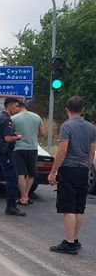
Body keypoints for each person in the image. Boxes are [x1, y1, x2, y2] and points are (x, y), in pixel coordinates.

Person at [48, 96, 96, 254]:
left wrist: (53, 172)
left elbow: (62, 152)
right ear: (83, 110)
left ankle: (68, 243)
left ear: (67, 110)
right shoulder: (91, 128)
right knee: (78, 208)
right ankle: (74, 239)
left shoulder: (66, 126)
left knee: (68, 207)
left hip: (68, 169)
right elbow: (92, 152)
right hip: (83, 170)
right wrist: (86, 167)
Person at [12, 101, 44, 205]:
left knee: (20, 174)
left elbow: (10, 134)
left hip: (18, 148)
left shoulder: (14, 119)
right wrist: (33, 135)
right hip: (32, 149)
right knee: (31, 174)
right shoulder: (37, 117)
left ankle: (23, 197)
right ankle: (25, 197)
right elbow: (43, 133)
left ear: (18, 107)